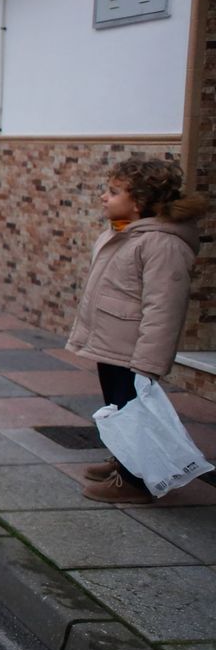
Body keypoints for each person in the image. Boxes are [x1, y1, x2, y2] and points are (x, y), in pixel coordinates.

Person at [67, 160, 208, 504]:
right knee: (117, 408)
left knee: (133, 411)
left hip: (134, 351)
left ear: (140, 202)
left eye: (113, 192)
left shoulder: (162, 243)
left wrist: (149, 361)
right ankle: (124, 461)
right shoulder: (124, 231)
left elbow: (164, 308)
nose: (104, 197)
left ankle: (135, 482)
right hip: (112, 343)